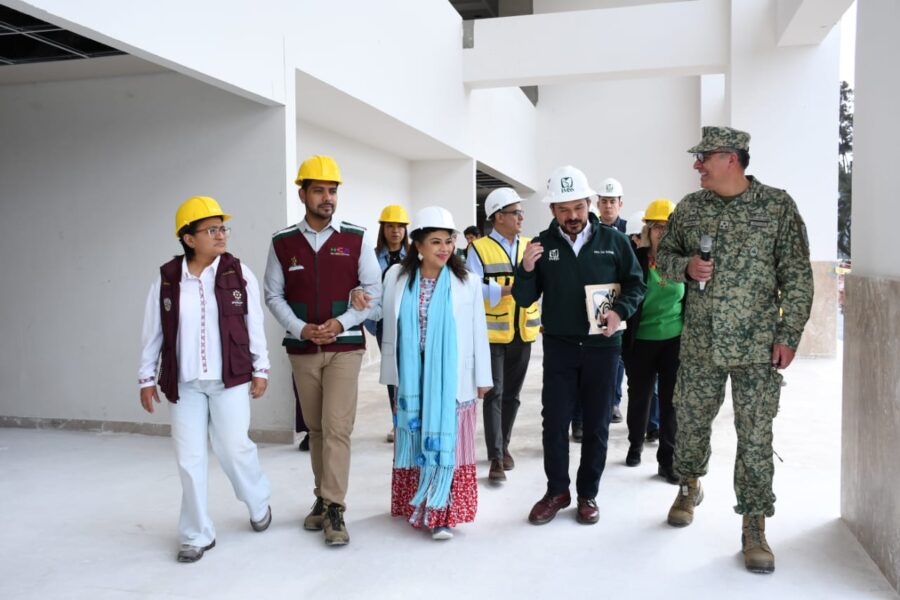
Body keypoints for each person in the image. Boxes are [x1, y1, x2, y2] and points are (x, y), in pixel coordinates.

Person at [657, 126, 813, 574]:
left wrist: (788, 335)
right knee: (689, 422)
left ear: (730, 158)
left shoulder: (777, 206)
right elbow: (663, 258)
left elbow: (797, 276)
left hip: (757, 346)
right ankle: (689, 484)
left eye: (703, 157)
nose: (697, 165)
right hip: (700, 344)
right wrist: (685, 267)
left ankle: (754, 524)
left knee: (756, 437)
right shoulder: (690, 209)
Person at [138, 196, 272, 563]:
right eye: (211, 230)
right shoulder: (167, 279)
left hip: (231, 379)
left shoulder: (238, 273)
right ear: (188, 238)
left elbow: (254, 324)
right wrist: (146, 378)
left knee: (234, 447)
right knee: (189, 458)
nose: (221, 235)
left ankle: (258, 499)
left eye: (222, 228)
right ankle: (196, 534)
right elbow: (153, 331)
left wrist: (261, 369)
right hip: (185, 384)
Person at [513, 166, 644, 526]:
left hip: (603, 347)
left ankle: (588, 493)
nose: (572, 216)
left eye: (578, 207)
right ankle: (557, 491)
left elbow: (636, 285)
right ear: (552, 210)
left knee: (597, 423)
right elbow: (524, 299)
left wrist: (619, 311)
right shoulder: (541, 245)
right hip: (560, 347)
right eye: (563, 209)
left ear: (589, 203)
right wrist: (526, 269)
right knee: (554, 422)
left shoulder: (614, 241)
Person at [264, 155, 381, 547]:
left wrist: (341, 323)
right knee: (315, 429)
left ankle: (334, 507)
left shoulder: (356, 238)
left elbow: (373, 290)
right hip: (302, 348)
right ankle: (322, 495)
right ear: (303, 194)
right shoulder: (283, 243)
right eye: (319, 190)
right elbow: (273, 294)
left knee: (336, 427)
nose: (327, 197)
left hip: (345, 347)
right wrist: (301, 328)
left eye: (332, 190)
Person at [376, 206, 492, 540]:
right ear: (418, 245)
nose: (445, 248)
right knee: (413, 437)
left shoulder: (467, 281)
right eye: (436, 242)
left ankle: (442, 513)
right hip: (412, 376)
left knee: (449, 442)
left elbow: (478, 331)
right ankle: (414, 503)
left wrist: (483, 377)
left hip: (451, 378)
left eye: (449, 241)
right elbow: (383, 317)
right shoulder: (396, 277)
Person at [466, 188, 541, 483]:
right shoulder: (478, 249)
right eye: (515, 212)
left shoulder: (530, 245)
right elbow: (473, 289)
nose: (521, 217)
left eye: (521, 212)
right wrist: (511, 290)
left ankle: (504, 444)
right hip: (493, 334)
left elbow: (540, 284)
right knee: (494, 394)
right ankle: (496, 457)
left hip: (524, 330)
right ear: (499, 217)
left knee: (512, 395)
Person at [620, 199, 683, 484]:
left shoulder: (683, 261)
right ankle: (635, 445)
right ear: (647, 229)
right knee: (640, 397)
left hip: (674, 341)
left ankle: (667, 460)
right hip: (641, 341)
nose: (663, 232)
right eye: (658, 227)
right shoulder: (635, 258)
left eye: (669, 227)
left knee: (671, 402)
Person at [571, 177, 627, 440]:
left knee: (615, 363)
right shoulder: (586, 231)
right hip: (583, 312)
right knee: (582, 369)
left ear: (620, 203)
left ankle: (612, 403)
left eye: (612, 201)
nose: (608, 206)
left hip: (616, 310)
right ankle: (579, 420)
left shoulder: (628, 233)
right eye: (603, 201)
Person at [366, 204, 410, 443]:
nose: (395, 231)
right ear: (383, 229)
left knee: (411, 370)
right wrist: (372, 321)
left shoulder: (413, 257)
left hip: (410, 321)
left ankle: (412, 419)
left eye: (400, 227)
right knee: (393, 374)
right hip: (384, 323)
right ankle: (397, 423)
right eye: (390, 226)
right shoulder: (371, 258)